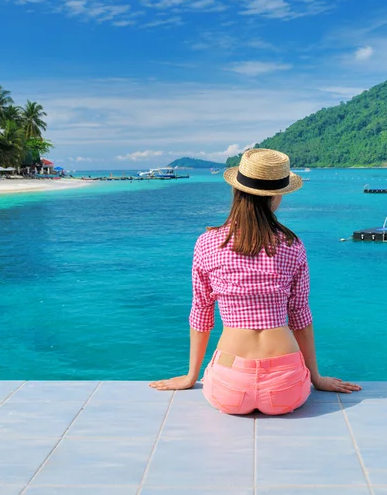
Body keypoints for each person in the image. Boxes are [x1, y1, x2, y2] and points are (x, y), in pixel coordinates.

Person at [150, 149, 361, 414]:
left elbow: (201, 313)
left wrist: (191, 376)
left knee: (220, 374)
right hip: (287, 386)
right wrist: (316, 379)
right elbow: (300, 316)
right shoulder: (292, 245)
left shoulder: (207, 243)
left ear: (237, 191)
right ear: (275, 196)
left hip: (230, 384)